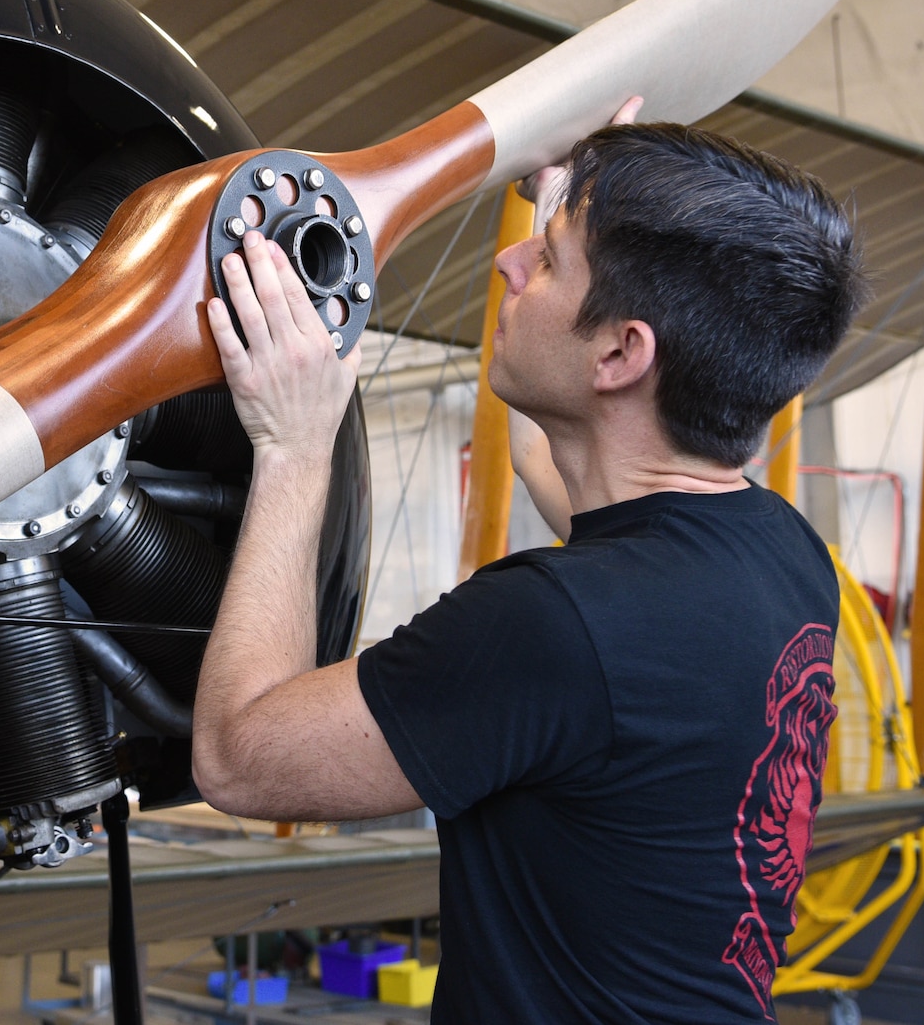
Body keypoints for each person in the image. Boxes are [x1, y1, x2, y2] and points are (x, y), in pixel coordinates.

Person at [191, 118, 867, 1023]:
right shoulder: (785, 553)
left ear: (623, 354)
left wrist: (294, 443)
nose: (508, 263)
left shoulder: (550, 625)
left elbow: (237, 759)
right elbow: (557, 460)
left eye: (545, 260)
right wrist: (572, 205)